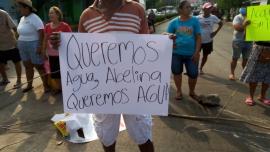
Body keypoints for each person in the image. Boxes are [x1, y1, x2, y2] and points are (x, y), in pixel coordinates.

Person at [50, 0, 154, 151]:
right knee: (107, 137)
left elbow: (147, 44)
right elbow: (81, 53)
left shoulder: (136, 9)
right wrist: (63, 44)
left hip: (134, 87)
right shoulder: (86, 15)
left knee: (143, 134)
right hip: (102, 89)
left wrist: (164, 43)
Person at [166, 0, 201, 101]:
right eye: (187, 7)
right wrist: (170, 37)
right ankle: (179, 91)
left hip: (191, 54)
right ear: (180, 9)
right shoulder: (174, 22)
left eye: (190, 7)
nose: (190, 8)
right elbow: (166, 34)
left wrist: (197, 52)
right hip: (176, 53)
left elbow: (198, 37)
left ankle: (192, 91)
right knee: (177, 72)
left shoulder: (194, 21)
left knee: (193, 74)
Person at [16, 0, 49, 93]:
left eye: (20, 7)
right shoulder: (22, 18)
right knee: (27, 66)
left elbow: (41, 31)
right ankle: (29, 85)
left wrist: (39, 45)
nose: (19, 9)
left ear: (26, 8)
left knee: (39, 65)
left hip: (33, 43)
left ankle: (46, 86)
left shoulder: (34, 17)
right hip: (23, 44)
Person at [44, 6, 72, 94]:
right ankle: (58, 88)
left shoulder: (65, 26)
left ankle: (66, 89)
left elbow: (71, 38)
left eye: (52, 12)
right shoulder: (47, 26)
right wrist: (43, 50)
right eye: (49, 13)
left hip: (62, 54)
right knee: (54, 73)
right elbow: (45, 39)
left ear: (58, 14)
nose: (50, 14)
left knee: (64, 72)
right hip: (51, 54)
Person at [197, 2, 223, 74]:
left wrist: (215, 32)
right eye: (207, 8)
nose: (209, 9)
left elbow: (221, 23)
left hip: (208, 41)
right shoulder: (197, 17)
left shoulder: (213, 17)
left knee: (205, 56)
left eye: (210, 8)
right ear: (203, 9)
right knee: (196, 55)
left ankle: (201, 68)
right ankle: (194, 68)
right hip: (198, 41)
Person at [229, 3, 252, 80]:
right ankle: (232, 73)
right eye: (243, 7)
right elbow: (238, 28)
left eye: (246, 7)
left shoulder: (252, 17)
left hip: (249, 41)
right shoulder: (238, 17)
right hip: (238, 41)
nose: (244, 8)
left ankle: (244, 75)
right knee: (235, 58)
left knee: (246, 59)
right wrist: (245, 24)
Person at [0, 9, 22, 87]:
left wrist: (17, 39)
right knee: (0, 63)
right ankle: (5, 79)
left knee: (16, 62)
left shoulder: (3, 13)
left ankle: (19, 80)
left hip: (11, 43)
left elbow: (14, 27)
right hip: (0, 46)